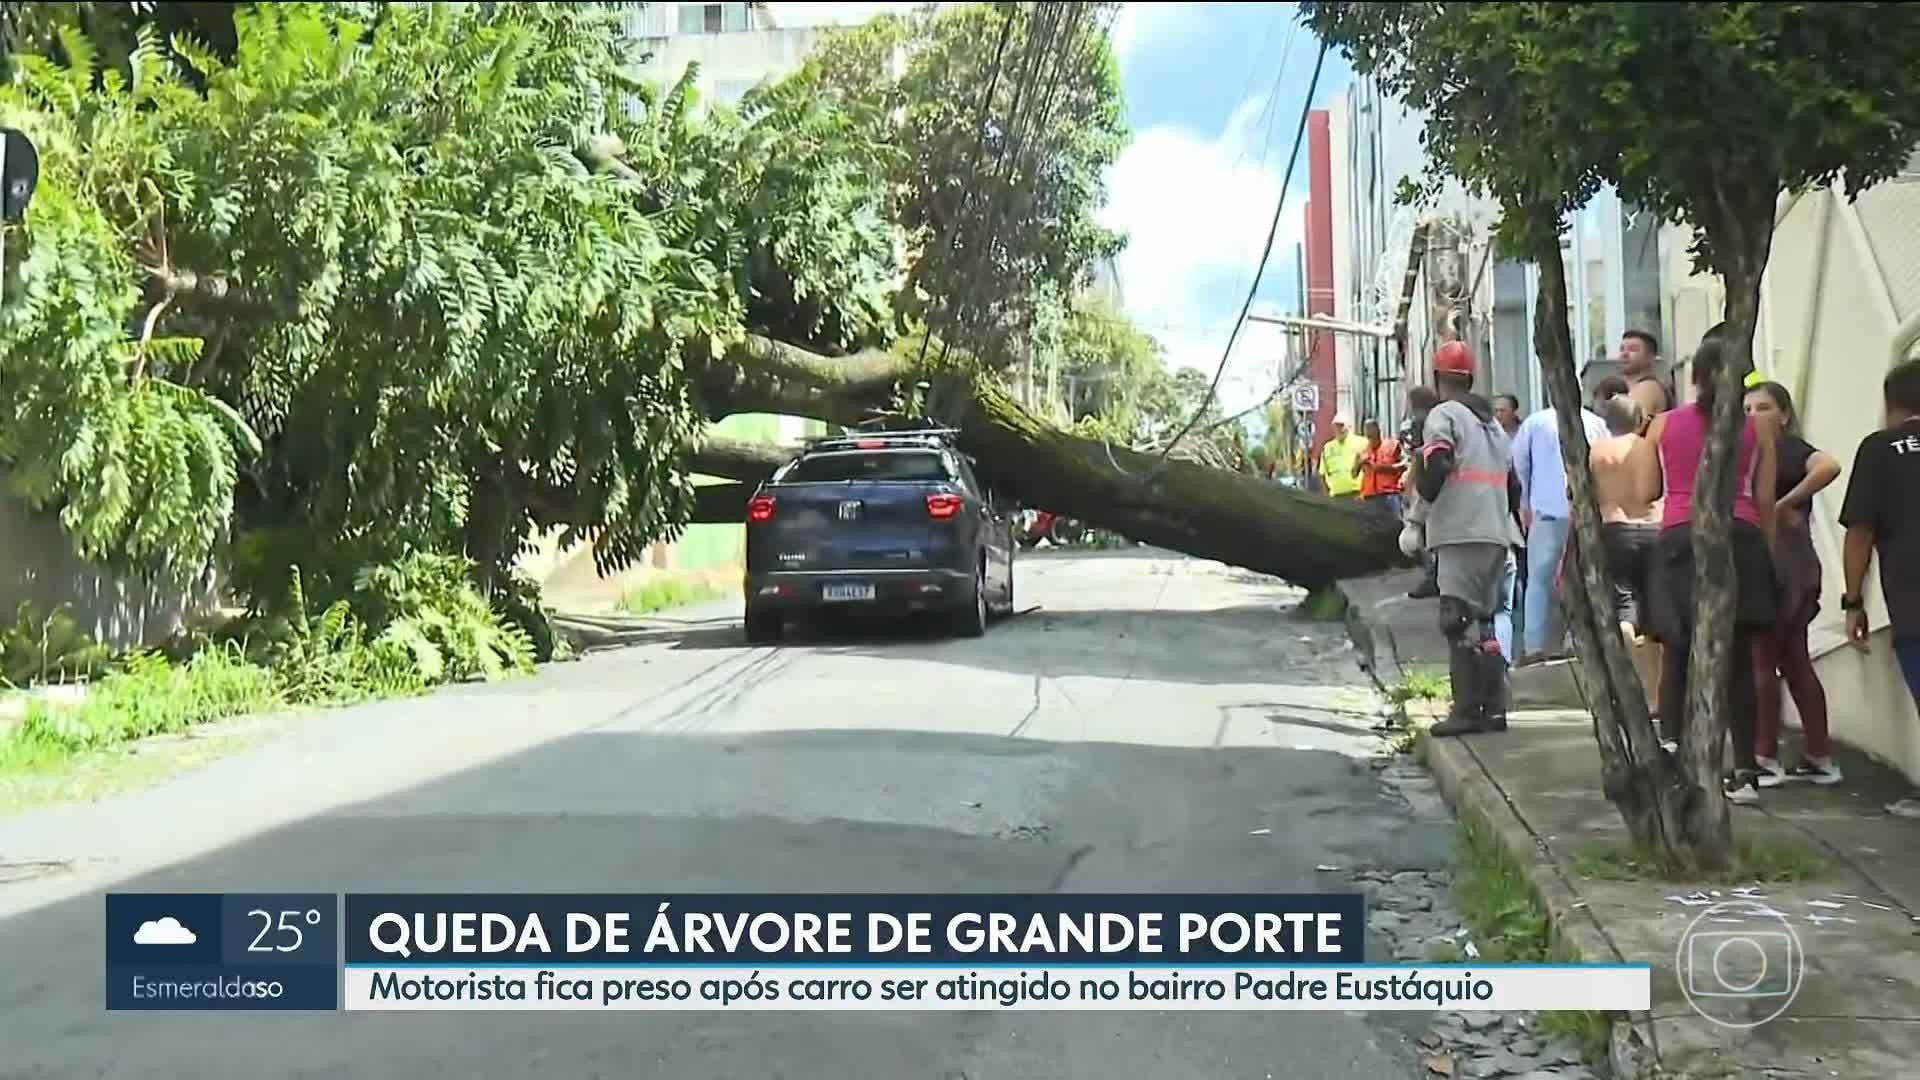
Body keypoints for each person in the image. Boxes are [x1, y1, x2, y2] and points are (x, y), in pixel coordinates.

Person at [1634, 325, 1778, 804]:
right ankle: (1745, 769)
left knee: (1679, 649)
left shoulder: (1663, 424)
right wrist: (1768, 554)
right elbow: (1763, 497)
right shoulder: (1757, 426)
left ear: (1694, 377)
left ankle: (1676, 751)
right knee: (1738, 657)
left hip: (1680, 535)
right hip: (1742, 534)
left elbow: (1645, 492)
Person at [1417, 341, 1517, 737]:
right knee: (1486, 624)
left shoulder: (1444, 414)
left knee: (1456, 621)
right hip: (1495, 532)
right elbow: (1513, 486)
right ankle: (1494, 708)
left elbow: (1437, 461)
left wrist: (1422, 506)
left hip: (1460, 532)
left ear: (1439, 378)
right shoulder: (1493, 425)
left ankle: (1466, 710)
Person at [1745, 381, 1841, 786]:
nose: (1753, 416)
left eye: (1763, 407)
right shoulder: (1749, 453)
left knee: (1764, 659)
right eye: (1746, 409)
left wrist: (1781, 504)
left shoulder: (1787, 449)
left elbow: (1828, 466)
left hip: (1784, 565)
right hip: (1787, 564)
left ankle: (1764, 756)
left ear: (1783, 414)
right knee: (1794, 660)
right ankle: (1818, 754)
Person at [1839, 359, 1920, 818]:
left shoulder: (1881, 448)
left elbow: (1860, 531)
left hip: (1912, 597)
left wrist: (1853, 602)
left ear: (1891, 404)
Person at [1510, 385, 1610, 663]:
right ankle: (1574, 642)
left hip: (1545, 513)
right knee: (1581, 579)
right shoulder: (1595, 423)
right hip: (1584, 514)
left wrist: (1526, 501)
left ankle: (1534, 647)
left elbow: (1518, 462)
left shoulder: (1535, 422)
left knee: (1539, 582)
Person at [1400, 386, 1444, 600]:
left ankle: (1432, 578)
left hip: (1427, 484)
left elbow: (1418, 457)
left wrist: (1410, 488)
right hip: (1443, 485)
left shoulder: (1421, 422)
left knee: (1423, 536)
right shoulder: (1441, 417)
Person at [1620, 329, 1673, 424]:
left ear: (1650, 357)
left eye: (1633, 349)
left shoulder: (1648, 387)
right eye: (1622, 349)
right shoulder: (1635, 387)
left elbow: (1629, 428)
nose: (1624, 354)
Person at [1356, 418, 1405, 520]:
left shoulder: (1393, 445)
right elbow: (1353, 473)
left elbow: (1404, 465)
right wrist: (1359, 463)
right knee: (1373, 528)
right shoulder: (1363, 450)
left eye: (1372, 434)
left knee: (1396, 524)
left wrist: (1380, 467)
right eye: (1368, 435)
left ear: (1378, 431)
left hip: (1389, 494)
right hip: (1369, 496)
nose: (1370, 438)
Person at [1319, 414, 1366, 500]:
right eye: (1336, 426)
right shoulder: (1328, 447)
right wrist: (1326, 496)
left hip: (1357, 493)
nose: (1339, 429)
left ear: (1349, 426)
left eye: (1342, 426)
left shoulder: (1362, 443)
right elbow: (1322, 473)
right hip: (1336, 495)